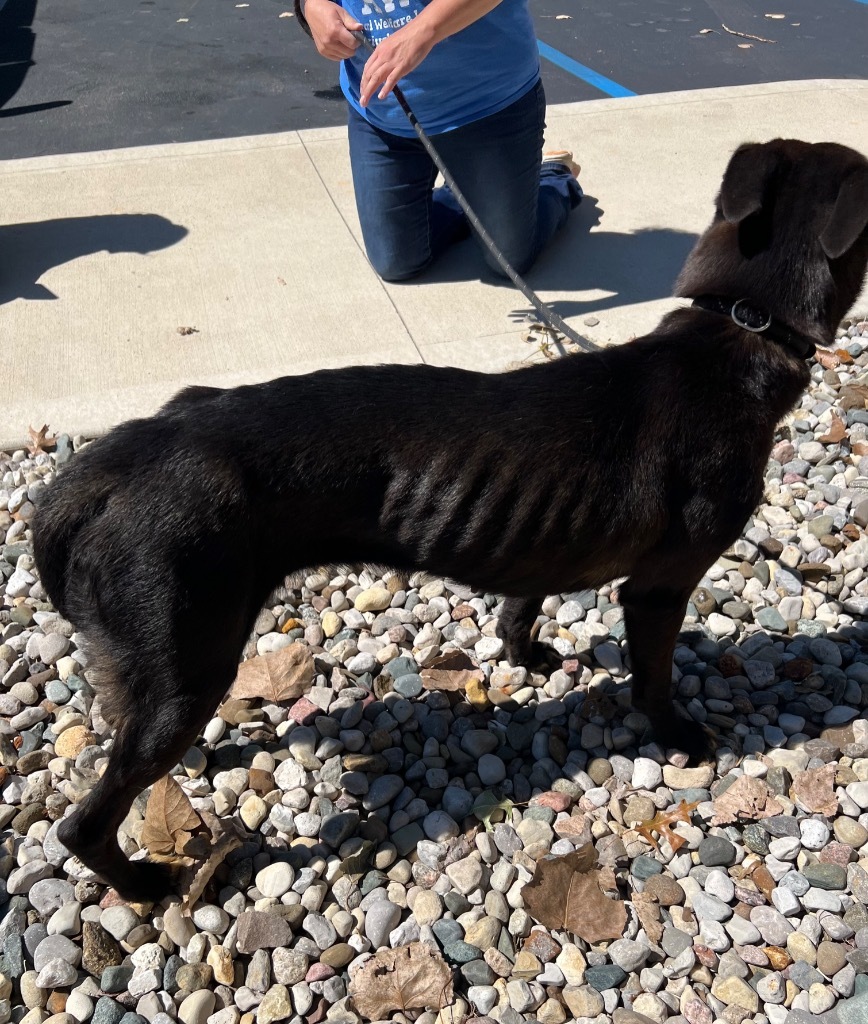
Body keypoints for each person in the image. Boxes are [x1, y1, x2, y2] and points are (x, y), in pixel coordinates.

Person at [302, 0, 583, 281]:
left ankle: (555, 178)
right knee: (395, 261)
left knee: (509, 261)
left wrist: (424, 30)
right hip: (384, 115)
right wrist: (309, 4)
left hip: (487, 102)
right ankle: (470, 190)